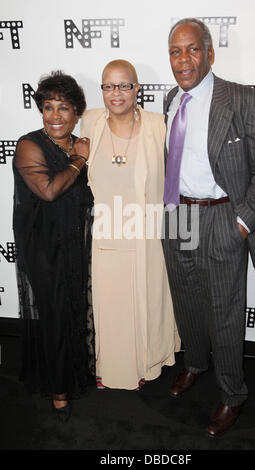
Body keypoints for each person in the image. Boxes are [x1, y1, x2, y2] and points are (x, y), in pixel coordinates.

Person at [162, 18, 255, 436]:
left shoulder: (245, 100)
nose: (184, 59)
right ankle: (195, 364)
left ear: (209, 52)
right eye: (176, 51)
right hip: (178, 216)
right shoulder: (170, 102)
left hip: (221, 217)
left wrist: (242, 223)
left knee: (226, 313)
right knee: (187, 303)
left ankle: (232, 395)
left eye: (192, 48)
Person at [81, 59, 179, 391]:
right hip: (107, 232)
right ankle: (111, 368)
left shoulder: (158, 125)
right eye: (109, 86)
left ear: (137, 88)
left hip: (146, 232)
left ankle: (145, 364)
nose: (117, 93)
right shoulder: (91, 123)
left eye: (124, 85)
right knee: (111, 307)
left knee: (147, 302)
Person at [13, 71, 94, 422]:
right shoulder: (29, 144)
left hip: (73, 242)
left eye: (64, 108)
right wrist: (79, 159)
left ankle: (72, 374)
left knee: (73, 310)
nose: (56, 116)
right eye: (48, 107)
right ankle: (58, 389)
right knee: (56, 314)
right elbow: (48, 190)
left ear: (76, 111)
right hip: (43, 247)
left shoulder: (76, 142)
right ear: (41, 111)